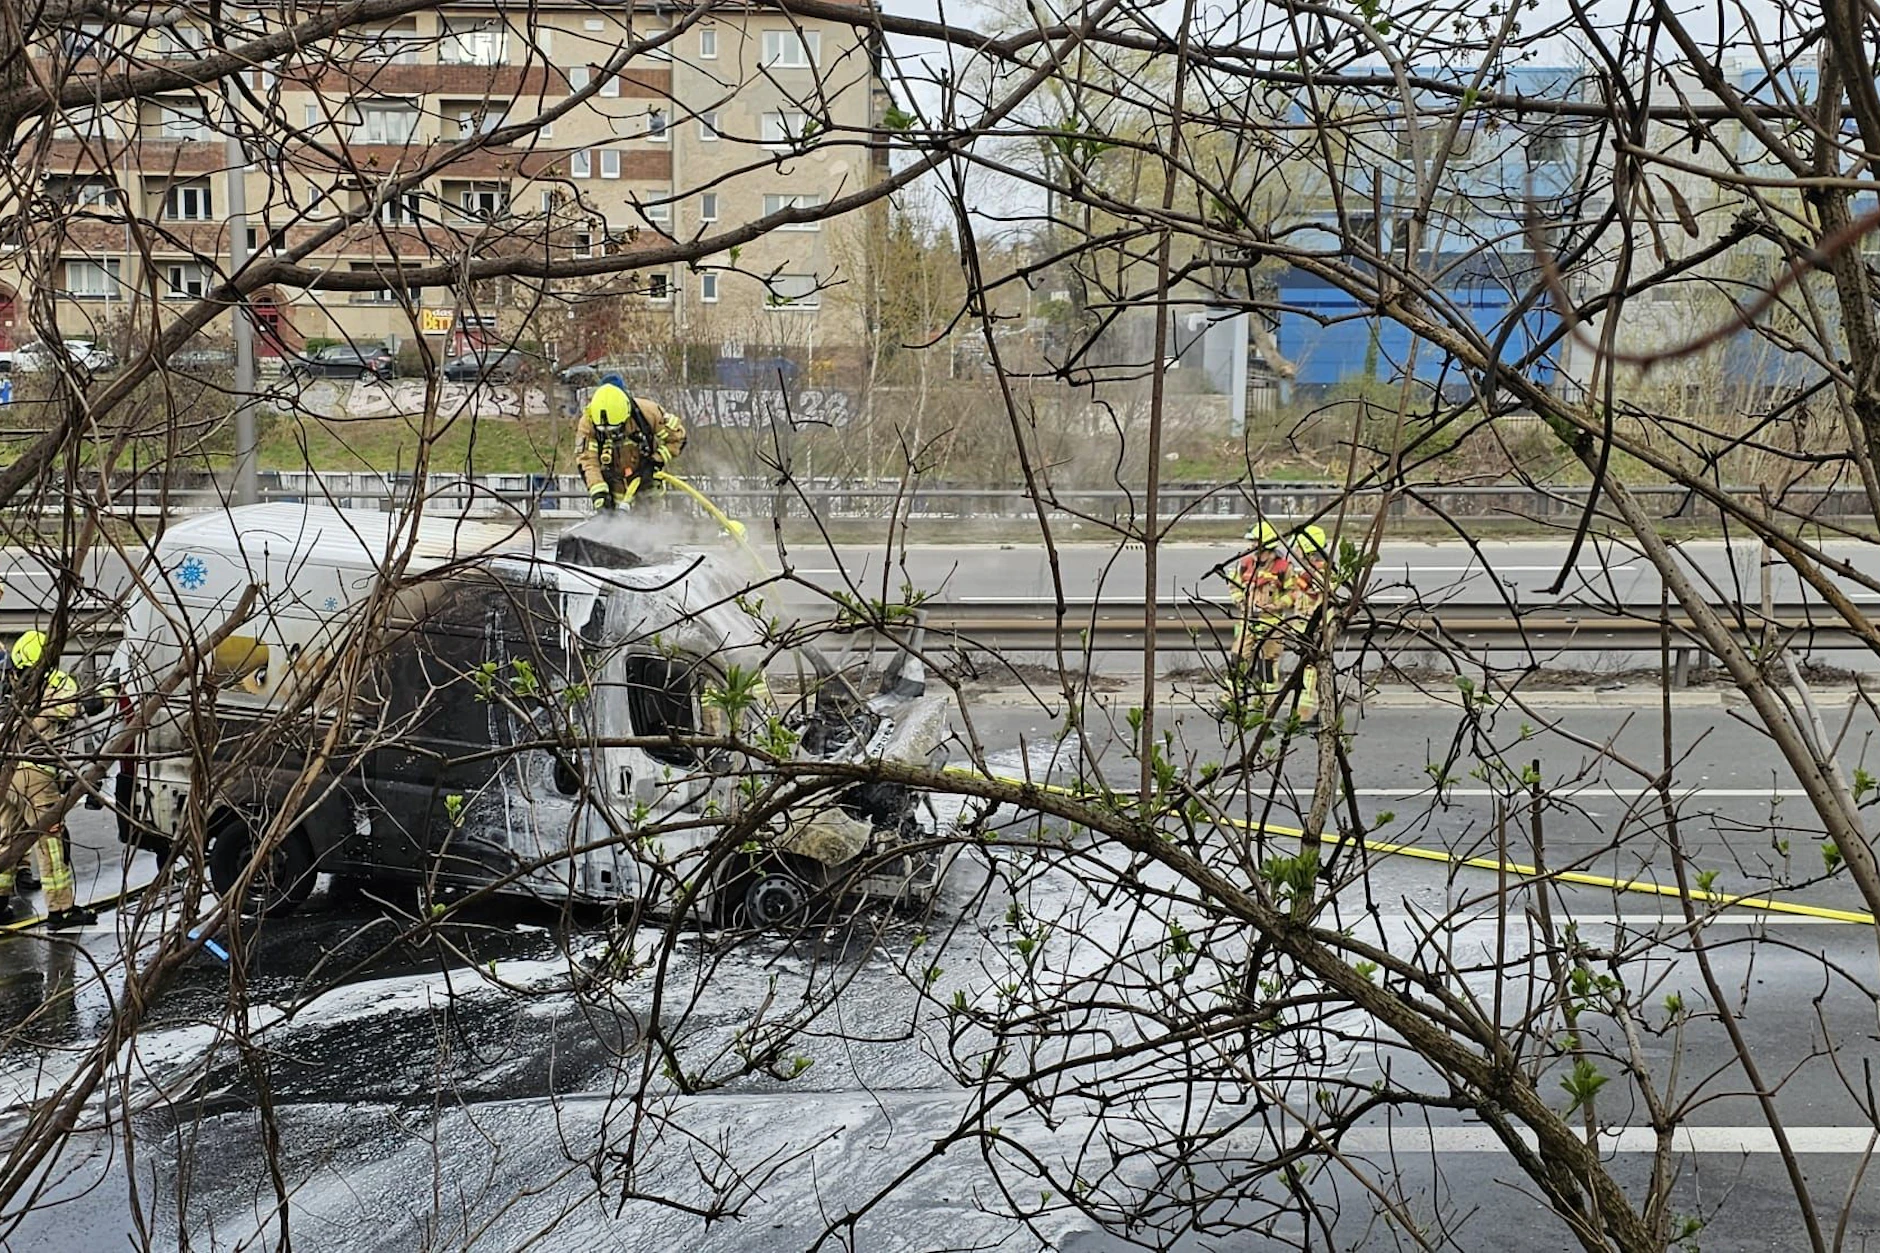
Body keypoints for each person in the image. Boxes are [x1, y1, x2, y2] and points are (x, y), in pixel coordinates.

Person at [0, 631, 92, 927]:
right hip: (35, 775)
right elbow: (77, 706)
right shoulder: (50, 686)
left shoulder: (11, 687)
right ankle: (61, 910)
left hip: (7, 772)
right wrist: (108, 691)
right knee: (51, 841)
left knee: (8, 836)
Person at [576, 378, 687, 511]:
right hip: (613, 493)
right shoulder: (588, 422)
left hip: (648, 491)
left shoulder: (648, 413)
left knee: (652, 523)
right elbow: (588, 462)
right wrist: (600, 496)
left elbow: (678, 439)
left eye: (615, 429)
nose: (611, 434)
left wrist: (655, 462)